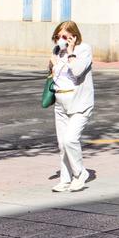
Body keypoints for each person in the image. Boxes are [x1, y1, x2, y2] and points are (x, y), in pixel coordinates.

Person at [49, 20, 94, 193]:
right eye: (57, 36)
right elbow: (55, 77)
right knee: (62, 144)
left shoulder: (84, 50)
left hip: (80, 103)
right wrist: (53, 63)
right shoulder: (57, 52)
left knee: (70, 140)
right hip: (60, 102)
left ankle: (80, 173)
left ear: (74, 36)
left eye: (64, 36)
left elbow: (77, 71)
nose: (60, 39)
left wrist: (70, 52)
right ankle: (65, 179)